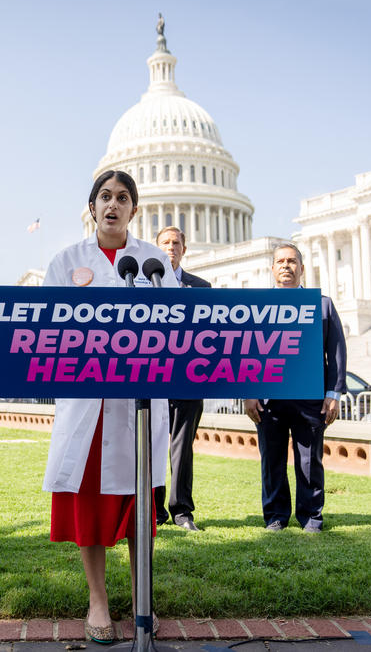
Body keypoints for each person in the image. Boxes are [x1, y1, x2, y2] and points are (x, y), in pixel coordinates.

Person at [44, 170, 177, 644]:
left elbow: (174, 326)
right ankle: (97, 600)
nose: (114, 205)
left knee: (140, 500)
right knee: (92, 502)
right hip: (90, 404)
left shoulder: (154, 261)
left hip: (137, 403)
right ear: (92, 207)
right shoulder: (66, 261)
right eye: (105, 197)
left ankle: (143, 598)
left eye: (123, 198)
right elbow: (48, 330)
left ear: (134, 210)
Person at [243, 243, 346, 533]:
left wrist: (333, 394)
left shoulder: (322, 304)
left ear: (301, 268)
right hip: (268, 399)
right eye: (280, 262)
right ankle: (275, 516)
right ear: (272, 269)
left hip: (310, 398)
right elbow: (248, 350)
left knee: (309, 461)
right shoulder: (258, 306)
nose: (286, 266)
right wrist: (249, 393)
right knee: (272, 460)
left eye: (292, 261)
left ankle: (311, 517)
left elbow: (336, 352)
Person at [152, 226, 210, 532]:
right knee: (154, 446)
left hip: (188, 379)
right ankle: (155, 510)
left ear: (184, 249)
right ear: (156, 249)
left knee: (182, 447)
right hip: (153, 380)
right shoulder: (140, 287)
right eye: (165, 243)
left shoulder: (201, 287)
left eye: (176, 243)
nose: (171, 247)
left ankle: (182, 511)